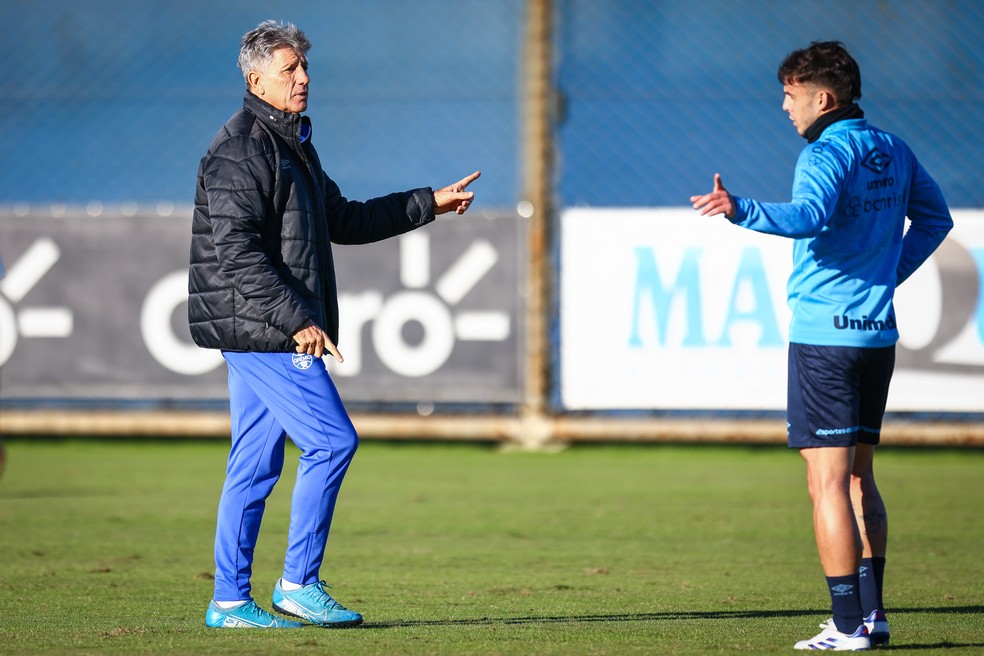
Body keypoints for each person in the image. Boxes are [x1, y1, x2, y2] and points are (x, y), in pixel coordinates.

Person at [189, 19, 480, 629]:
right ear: (255, 77)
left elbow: (342, 219)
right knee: (332, 441)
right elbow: (236, 252)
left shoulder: (291, 144)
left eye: (304, 67)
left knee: (254, 463)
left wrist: (431, 202)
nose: (304, 79)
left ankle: (229, 602)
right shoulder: (240, 149)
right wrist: (297, 320)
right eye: (290, 69)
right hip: (265, 329)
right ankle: (297, 583)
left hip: (259, 328)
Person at [690, 41, 952, 651]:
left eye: (790, 93)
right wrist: (886, 276)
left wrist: (739, 208)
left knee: (826, 483)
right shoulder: (893, 147)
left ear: (822, 97)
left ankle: (846, 624)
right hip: (875, 335)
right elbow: (935, 219)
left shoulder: (825, 152)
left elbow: (809, 215)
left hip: (824, 340)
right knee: (860, 477)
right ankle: (873, 614)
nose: (784, 106)